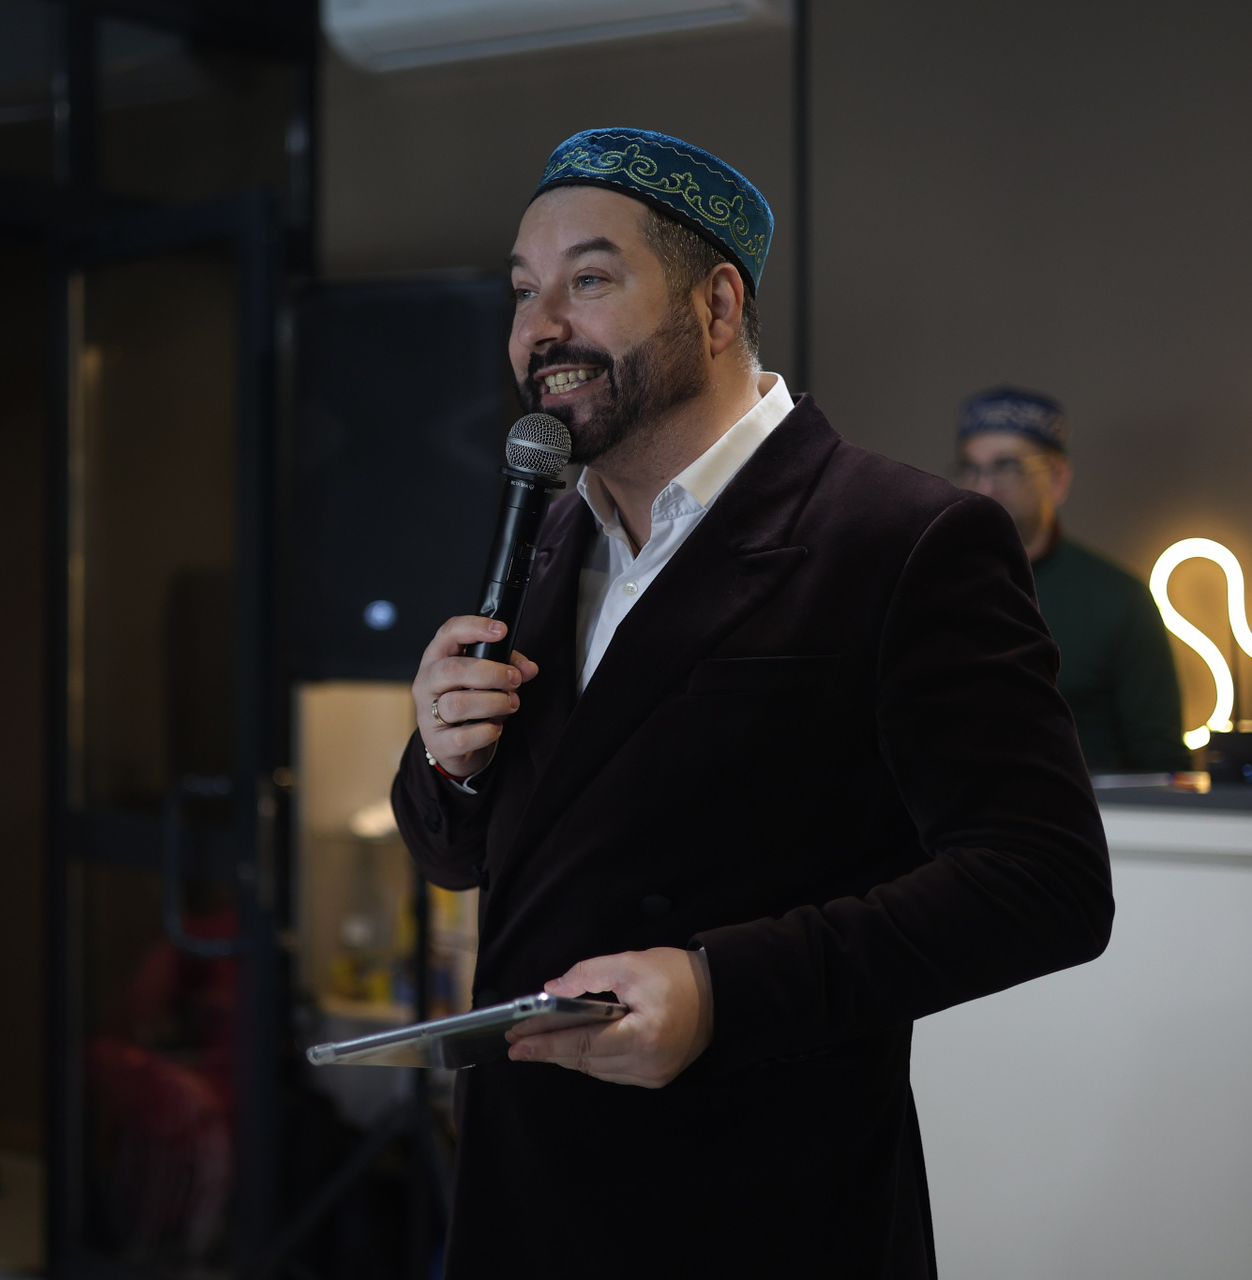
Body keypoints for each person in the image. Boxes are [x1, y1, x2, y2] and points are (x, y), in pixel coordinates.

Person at [389, 128, 1114, 1277]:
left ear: (718, 304)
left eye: (589, 279)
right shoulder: (550, 533)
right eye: (523, 290)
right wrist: (447, 758)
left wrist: (720, 991)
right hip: (528, 1195)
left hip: (760, 1206)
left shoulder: (905, 537)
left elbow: (1046, 883)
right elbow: (470, 855)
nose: (540, 327)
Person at [954, 387, 1189, 772]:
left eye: (1007, 467)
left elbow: (1162, 765)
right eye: (971, 468)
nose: (983, 488)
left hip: (1089, 808)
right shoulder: (931, 590)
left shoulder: (1119, 601)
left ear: (1058, 478)